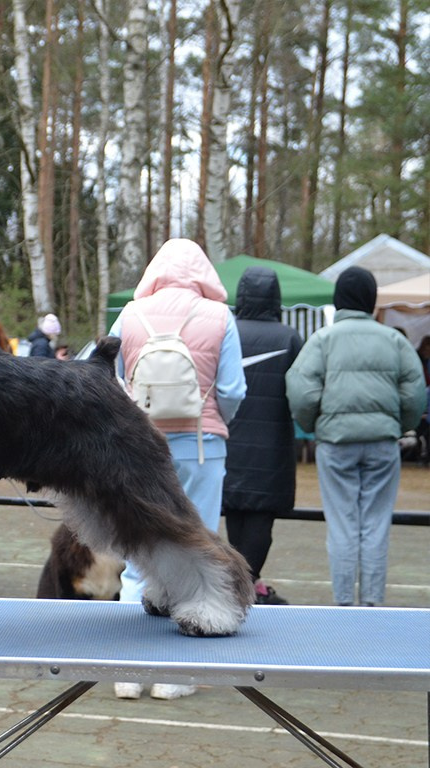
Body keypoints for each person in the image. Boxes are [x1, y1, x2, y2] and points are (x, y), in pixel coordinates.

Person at [109, 238, 246, 700]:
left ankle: (128, 672)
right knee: (198, 550)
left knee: (137, 554)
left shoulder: (130, 314)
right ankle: (176, 675)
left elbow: (107, 378)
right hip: (201, 446)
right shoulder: (220, 317)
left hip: (138, 448)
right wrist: (215, 422)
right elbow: (233, 390)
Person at [286, 266, 426, 608]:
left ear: (339, 300)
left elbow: (301, 391)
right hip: (382, 443)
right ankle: (372, 603)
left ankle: (345, 603)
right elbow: (414, 393)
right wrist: (399, 425)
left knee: (342, 524)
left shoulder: (322, 340)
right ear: (371, 300)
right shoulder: (394, 340)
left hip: (335, 444)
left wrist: (316, 425)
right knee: (376, 525)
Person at [222, 266, 303, 606]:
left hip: (229, 441)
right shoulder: (289, 338)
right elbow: (300, 392)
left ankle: (239, 586)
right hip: (271, 447)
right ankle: (245, 586)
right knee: (260, 521)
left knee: (235, 514)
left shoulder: (226, 332)